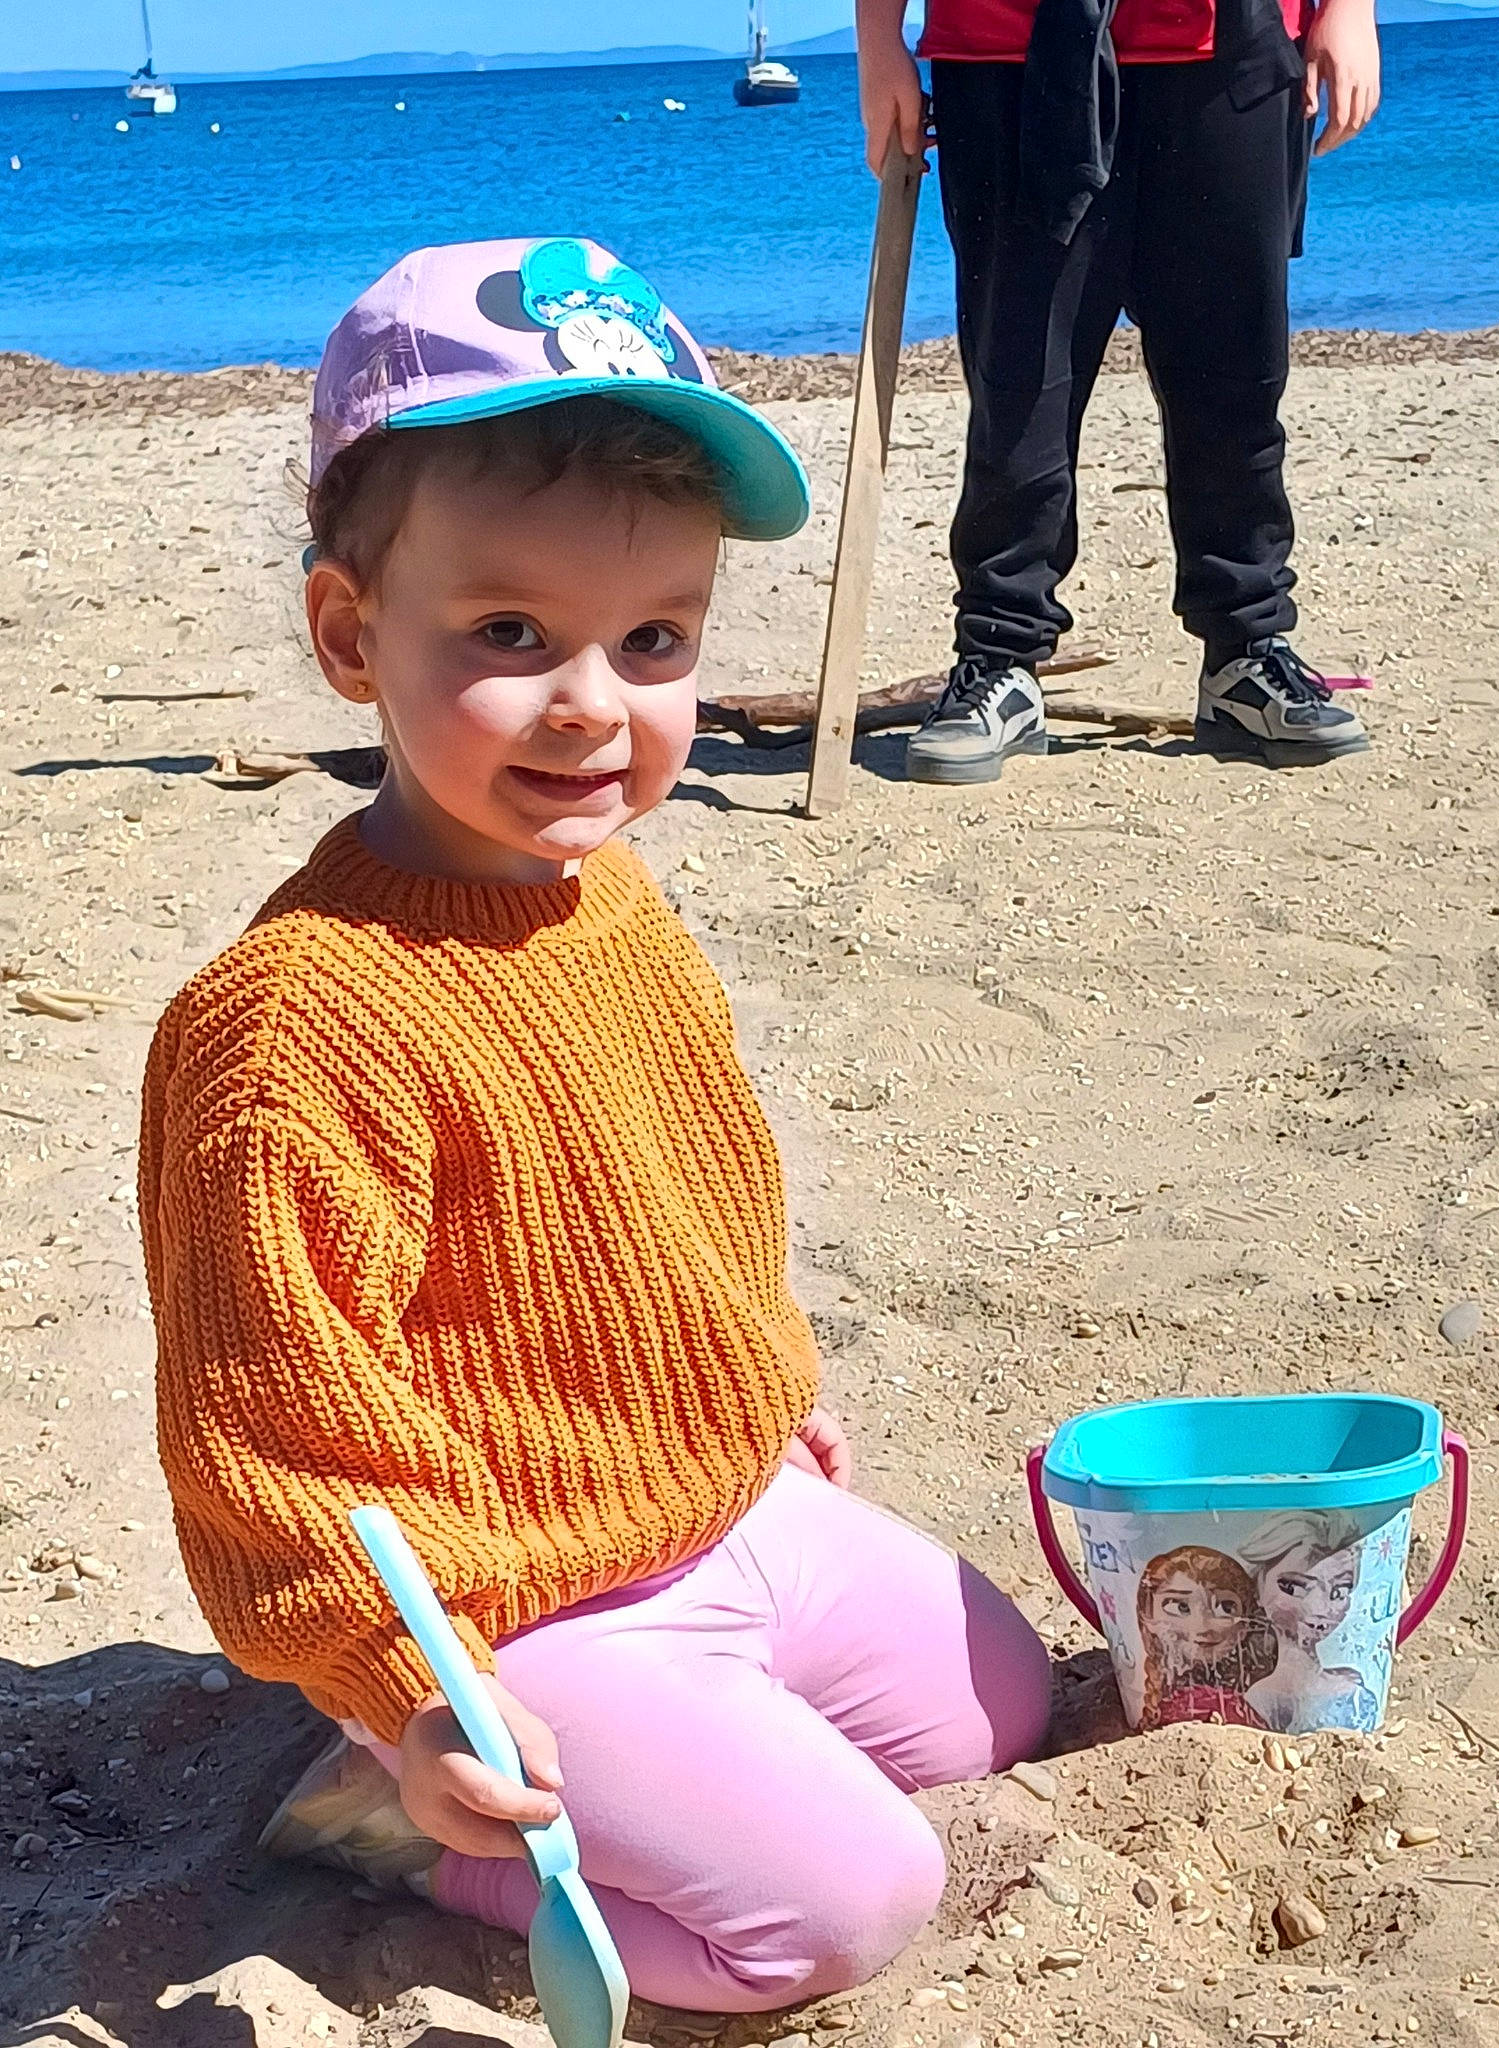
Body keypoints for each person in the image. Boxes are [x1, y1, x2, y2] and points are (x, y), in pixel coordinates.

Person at [137, 237, 1053, 2016]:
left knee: (991, 1703)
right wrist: (409, 1692)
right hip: (500, 1609)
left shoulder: (609, 903)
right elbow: (275, 1440)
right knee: (845, 1905)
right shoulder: (294, 1025)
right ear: (351, 634)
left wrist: (764, 1381)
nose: (592, 703)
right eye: (508, 634)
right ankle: (418, 1834)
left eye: (654, 639)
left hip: (707, 1506)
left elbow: (689, 1190)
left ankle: (683, 1736)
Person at [855, 0, 1382, 783]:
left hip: (1230, 48)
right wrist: (877, 43)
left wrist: (1351, 10)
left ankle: (1244, 653)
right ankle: (999, 662)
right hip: (1008, 46)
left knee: (1235, 379)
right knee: (1020, 384)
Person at [1238, 1511, 1379, 1731]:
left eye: (1339, 1592)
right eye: (1293, 1587)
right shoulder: (1262, 1698)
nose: (1319, 1609)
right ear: (1258, 1586)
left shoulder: (1352, 1683)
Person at [1135, 1546, 1274, 1729]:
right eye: (1180, 1607)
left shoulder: (1249, 1698)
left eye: (1225, 1608)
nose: (1202, 1625)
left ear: (1245, 1621)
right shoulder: (1170, 1698)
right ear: (1148, 1615)